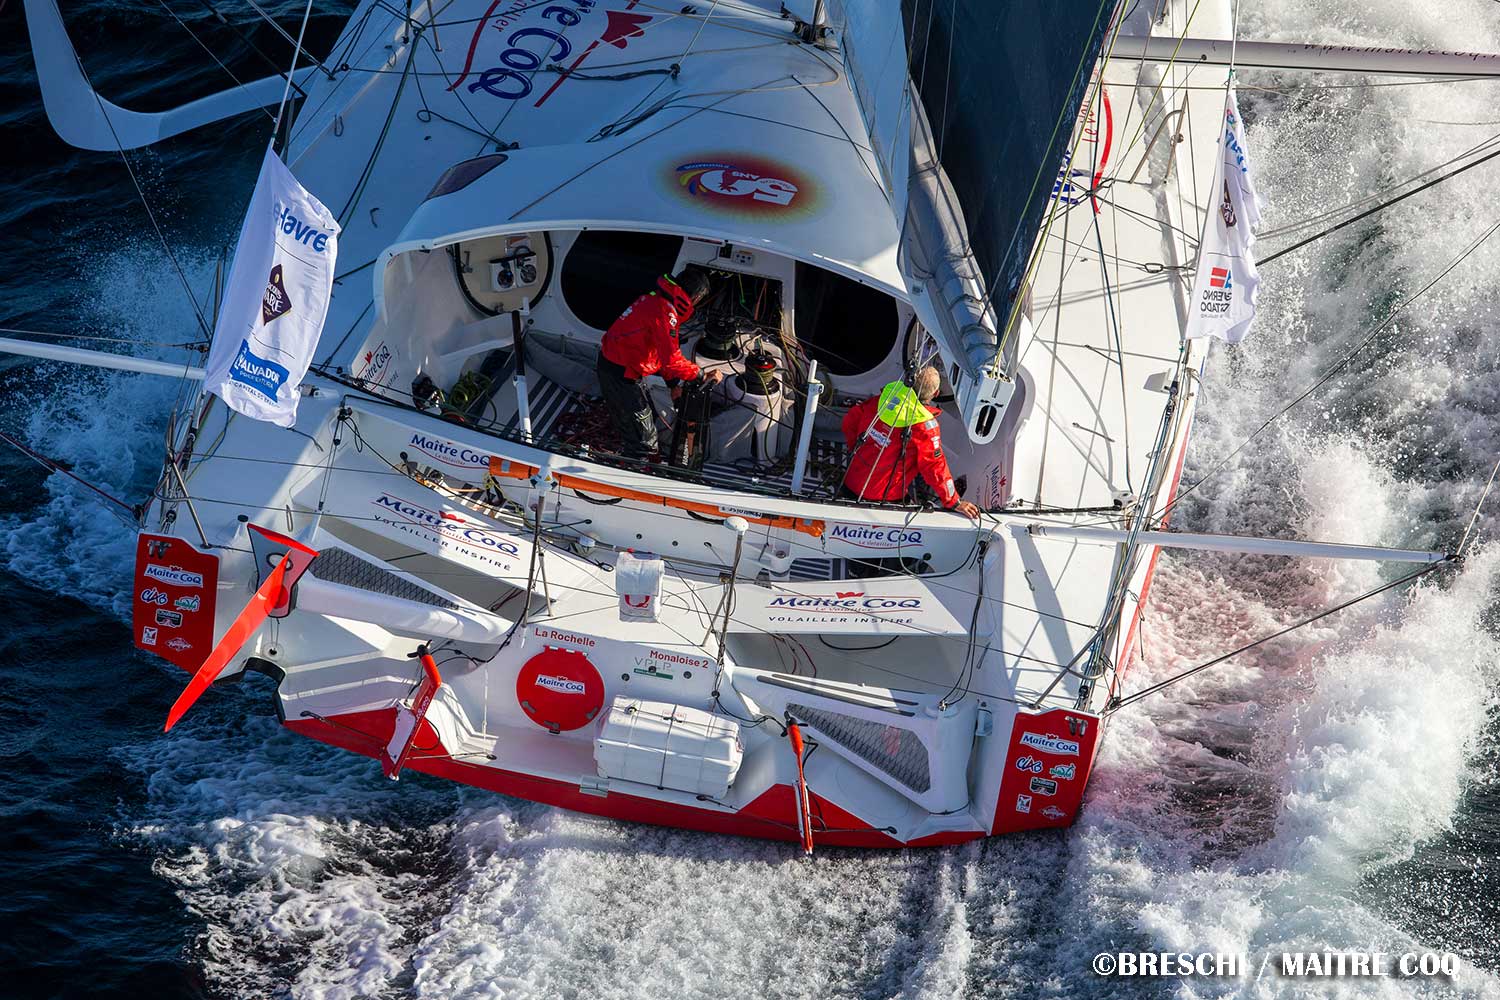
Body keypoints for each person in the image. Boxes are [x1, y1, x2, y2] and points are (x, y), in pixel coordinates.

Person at [596, 270, 724, 459]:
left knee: (645, 425)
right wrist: (700, 376)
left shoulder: (654, 300)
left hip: (622, 369)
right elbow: (672, 360)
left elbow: (659, 354)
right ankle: (635, 471)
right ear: (695, 298)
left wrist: (673, 386)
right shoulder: (666, 313)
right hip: (619, 374)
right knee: (645, 442)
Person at [841, 366, 981, 520]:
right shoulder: (925, 427)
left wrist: (856, 449)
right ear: (936, 394)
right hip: (886, 498)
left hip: (850, 484)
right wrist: (954, 501)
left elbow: (850, 421)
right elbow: (935, 467)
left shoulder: (883, 401)